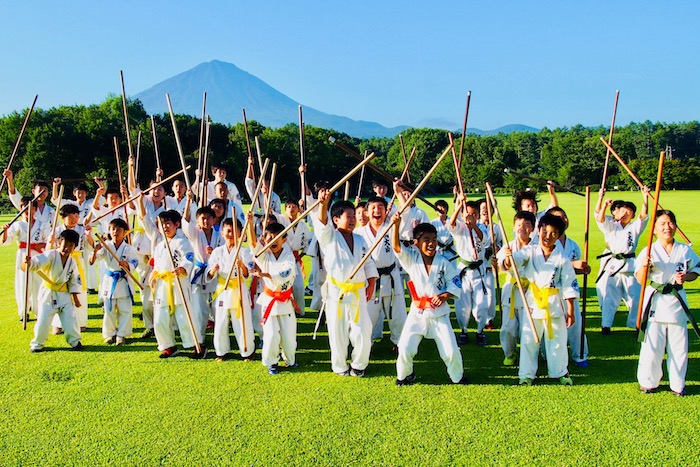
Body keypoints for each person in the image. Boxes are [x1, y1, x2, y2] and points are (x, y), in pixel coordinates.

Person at [501, 213, 578, 386]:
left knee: (557, 341)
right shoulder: (530, 251)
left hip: (554, 305)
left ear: (558, 236)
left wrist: (571, 310)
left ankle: (560, 372)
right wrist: (508, 257)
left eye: (553, 233)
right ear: (539, 230)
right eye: (544, 231)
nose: (547, 236)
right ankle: (526, 375)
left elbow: (569, 285)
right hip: (533, 304)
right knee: (529, 340)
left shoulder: (562, 258)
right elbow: (514, 263)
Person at [391, 215, 468, 385]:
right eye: (426, 239)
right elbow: (396, 247)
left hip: (439, 314)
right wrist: (396, 225)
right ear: (416, 243)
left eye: (434, 239)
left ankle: (458, 377)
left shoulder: (443, 262)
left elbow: (454, 282)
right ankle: (405, 376)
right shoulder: (411, 259)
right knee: (405, 347)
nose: (431, 243)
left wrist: (445, 295)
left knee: (451, 350)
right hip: (417, 313)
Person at [311, 192, 378, 377]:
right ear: (336, 219)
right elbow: (321, 226)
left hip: (358, 292)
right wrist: (323, 204)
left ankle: (359, 364)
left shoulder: (360, 239)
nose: (352, 220)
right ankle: (340, 365)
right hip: (337, 292)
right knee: (337, 331)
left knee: (363, 329)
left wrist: (372, 281)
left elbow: (369, 262)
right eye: (348, 216)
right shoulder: (329, 238)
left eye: (353, 216)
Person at [636, 210, 699, 396]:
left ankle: (678, 385)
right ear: (654, 229)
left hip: (676, 301)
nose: (667, 227)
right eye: (662, 223)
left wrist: (685, 277)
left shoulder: (685, 250)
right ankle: (648, 382)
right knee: (651, 345)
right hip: (655, 301)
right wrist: (646, 267)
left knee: (679, 347)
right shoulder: (648, 250)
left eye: (671, 223)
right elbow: (641, 279)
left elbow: (696, 269)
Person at [147, 210, 205, 359]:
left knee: (183, 315)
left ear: (176, 224)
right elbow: (157, 265)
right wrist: (153, 274)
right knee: (160, 317)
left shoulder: (182, 241)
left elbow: (188, 258)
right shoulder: (160, 246)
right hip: (162, 283)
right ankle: (168, 346)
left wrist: (182, 268)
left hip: (178, 281)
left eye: (168, 223)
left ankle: (195, 344)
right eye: (161, 224)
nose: (165, 227)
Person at [594, 187, 649, 334]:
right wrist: (603, 203)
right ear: (617, 214)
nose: (625, 213)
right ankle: (606, 325)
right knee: (609, 297)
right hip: (613, 266)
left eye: (629, 212)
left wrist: (645, 197)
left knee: (636, 297)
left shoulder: (635, 227)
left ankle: (635, 324)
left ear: (632, 216)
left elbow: (643, 216)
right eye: (623, 211)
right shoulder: (611, 225)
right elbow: (600, 218)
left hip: (630, 266)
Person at [356, 196, 407, 350]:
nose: (377, 211)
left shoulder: (392, 226)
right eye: (373, 208)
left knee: (397, 313)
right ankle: (366, 345)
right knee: (368, 315)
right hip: (370, 281)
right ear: (366, 212)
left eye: (380, 208)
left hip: (391, 277)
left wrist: (398, 191)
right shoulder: (359, 233)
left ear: (386, 211)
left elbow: (406, 208)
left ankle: (399, 343)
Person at [251, 222, 299, 375]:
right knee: (271, 335)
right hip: (270, 301)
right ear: (264, 240)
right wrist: (250, 223)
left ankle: (290, 359)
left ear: (284, 240)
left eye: (276, 237)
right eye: (269, 237)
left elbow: (288, 272)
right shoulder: (264, 255)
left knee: (289, 336)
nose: (272, 240)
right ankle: (272, 361)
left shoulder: (288, 256)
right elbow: (253, 245)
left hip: (285, 301)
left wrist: (266, 275)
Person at [25, 230, 83, 352]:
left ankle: (75, 341)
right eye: (65, 244)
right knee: (43, 320)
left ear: (74, 247)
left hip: (64, 294)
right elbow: (39, 261)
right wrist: (30, 262)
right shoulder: (51, 255)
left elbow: (74, 281)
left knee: (70, 319)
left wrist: (76, 298)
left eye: (71, 245)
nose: (67, 248)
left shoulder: (72, 262)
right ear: (59, 242)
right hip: (48, 294)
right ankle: (37, 344)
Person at [547, 206, 591, 367]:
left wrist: (583, 269)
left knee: (576, 324)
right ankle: (549, 355)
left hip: (570, 291)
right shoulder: (545, 244)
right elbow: (550, 266)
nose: (563, 220)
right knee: (552, 326)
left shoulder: (573, 245)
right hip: (550, 292)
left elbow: (573, 271)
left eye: (565, 217)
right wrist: (573, 264)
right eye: (559, 218)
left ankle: (579, 354)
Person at [207, 218, 255, 362]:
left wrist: (242, 266)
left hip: (238, 289)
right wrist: (212, 271)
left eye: (234, 231)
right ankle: (221, 351)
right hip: (223, 289)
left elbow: (248, 273)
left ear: (240, 234)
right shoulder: (217, 252)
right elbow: (209, 272)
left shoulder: (244, 251)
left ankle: (247, 351)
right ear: (222, 232)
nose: (231, 234)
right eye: (228, 231)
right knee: (220, 322)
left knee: (242, 322)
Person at [89, 218, 138, 345]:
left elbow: (135, 262)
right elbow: (92, 261)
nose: (115, 232)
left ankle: (122, 334)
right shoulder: (105, 246)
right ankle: (109, 334)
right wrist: (95, 251)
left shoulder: (128, 248)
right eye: (113, 229)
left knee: (125, 310)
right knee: (109, 310)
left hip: (123, 281)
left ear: (125, 232)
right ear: (109, 231)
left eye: (119, 229)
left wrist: (126, 264)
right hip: (109, 282)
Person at [448, 197, 489, 346]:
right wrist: (459, 205)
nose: (470, 218)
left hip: (479, 272)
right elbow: (450, 225)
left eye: (474, 215)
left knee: (482, 305)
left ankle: (480, 331)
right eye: (468, 215)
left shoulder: (482, 228)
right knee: (462, 305)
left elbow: (486, 241)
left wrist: (474, 227)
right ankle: (463, 331)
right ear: (462, 215)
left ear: (477, 216)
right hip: (464, 273)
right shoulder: (460, 228)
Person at [497, 211, 536, 366]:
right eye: (519, 225)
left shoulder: (537, 247)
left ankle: (530, 356)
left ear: (533, 228)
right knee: (508, 328)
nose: (522, 228)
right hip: (511, 292)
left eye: (527, 225)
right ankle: (510, 354)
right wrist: (504, 258)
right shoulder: (508, 246)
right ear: (514, 227)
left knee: (529, 330)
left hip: (531, 293)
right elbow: (502, 267)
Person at [2, 195, 50, 321]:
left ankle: (38, 310)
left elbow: (50, 241)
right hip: (23, 254)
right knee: (23, 282)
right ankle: (23, 311)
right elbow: (6, 240)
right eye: (25, 208)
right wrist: (5, 231)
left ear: (35, 209)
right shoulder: (18, 225)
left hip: (38, 255)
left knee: (38, 282)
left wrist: (42, 245)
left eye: (32, 208)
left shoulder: (42, 224)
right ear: (21, 209)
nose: (29, 211)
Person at [182, 198, 224, 339]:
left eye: (208, 218)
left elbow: (224, 252)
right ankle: (199, 339)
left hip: (215, 273)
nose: (205, 221)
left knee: (217, 309)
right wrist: (188, 201)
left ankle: (220, 339)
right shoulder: (195, 234)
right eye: (202, 219)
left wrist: (215, 253)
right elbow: (186, 221)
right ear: (198, 221)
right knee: (199, 310)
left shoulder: (220, 236)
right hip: (199, 274)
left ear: (214, 220)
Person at [51, 204, 93, 334]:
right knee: (60, 291)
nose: (74, 219)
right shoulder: (56, 230)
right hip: (61, 261)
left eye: (76, 216)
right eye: (70, 216)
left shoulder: (82, 230)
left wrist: (89, 235)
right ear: (63, 217)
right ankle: (58, 324)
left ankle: (80, 323)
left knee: (78, 290)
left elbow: (91, 246)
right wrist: (51, 240)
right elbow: (50, 247)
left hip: (77, 261)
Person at [478, 198, 503, 329]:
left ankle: (489, 319)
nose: (486, 211)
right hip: (477, 265)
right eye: (483, 209)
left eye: (488, 208)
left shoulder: (496, 227)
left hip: (490, 265)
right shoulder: (475, 226)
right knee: (478, 294)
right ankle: (478, 317)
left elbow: (500, 244)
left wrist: (497, 247)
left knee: (490, 294)